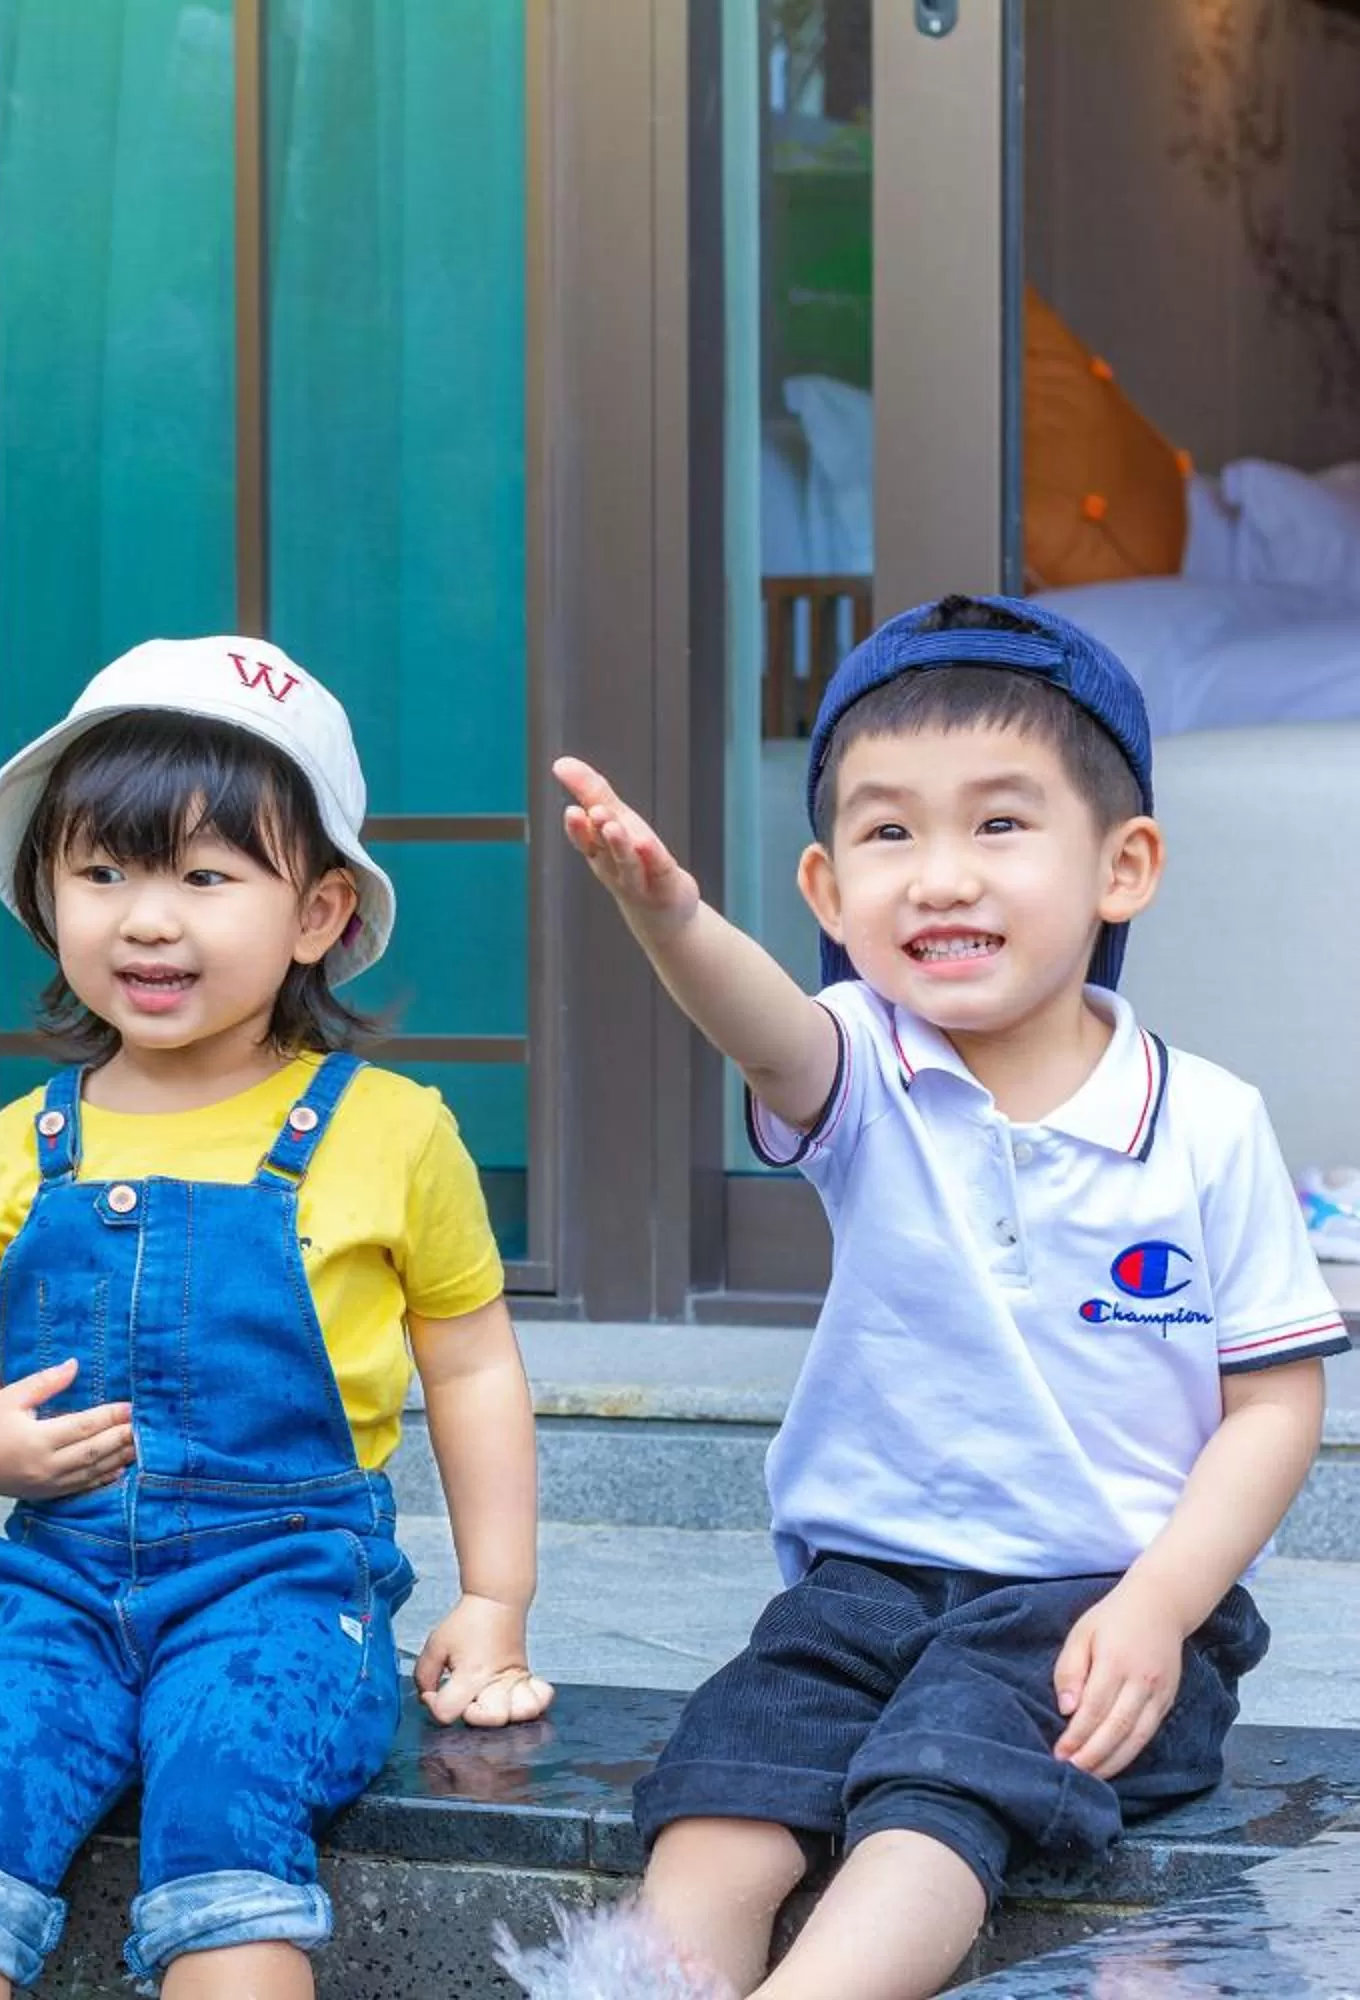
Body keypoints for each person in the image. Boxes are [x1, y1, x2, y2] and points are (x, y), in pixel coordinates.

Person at [551, 594, 1344, 2000]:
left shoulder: (1208, 1123)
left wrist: (1162, 1604)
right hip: (862, 1591)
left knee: (937, 1794)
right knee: (728, 1781)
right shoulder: (863, 1064)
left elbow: (1275, 1405)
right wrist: (671, 919)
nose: (940, 877)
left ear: (1123, 865)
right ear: (826, 892)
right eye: (890, 834)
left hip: (1096, 1609)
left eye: (999, 823)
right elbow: (766, 1029)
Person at [0, 637, 553, 2000]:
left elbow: (471, 1366)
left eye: (205, 876)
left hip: (280, 1592)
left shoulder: (391, 1133)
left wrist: (496, 1599)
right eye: (103, 874)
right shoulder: (9, 1152)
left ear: (318, 913)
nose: (148, 921)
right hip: (52, 1592)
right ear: (46, 896)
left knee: (225, 1806)